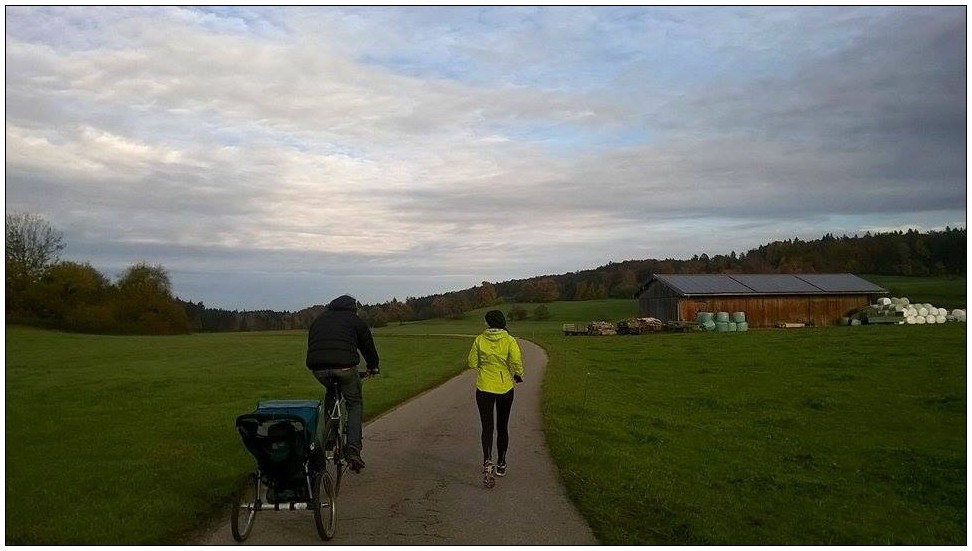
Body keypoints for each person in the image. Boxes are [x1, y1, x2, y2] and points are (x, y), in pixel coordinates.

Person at [306, 294, 380, 472]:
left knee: (331, 392)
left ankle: (330, 439)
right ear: (352, 308)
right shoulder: (355, 321)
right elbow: (367, 347)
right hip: (345, 367)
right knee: (354, 403)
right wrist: (373, 367)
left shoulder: (319, 320)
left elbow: (313, 344)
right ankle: (353, 449)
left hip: (318, 368)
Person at [467, 309, 524, 487]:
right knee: (502, 426)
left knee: (487, 428)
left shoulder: (479, 339)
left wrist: (485, 364)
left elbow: (471, 363)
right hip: (505, 387)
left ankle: (487, 461)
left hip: (484, 387)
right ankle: (501, 463)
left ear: (489, 323)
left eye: (485, 321)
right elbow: (516, 361)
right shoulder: (509, 340)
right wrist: (518, 374)